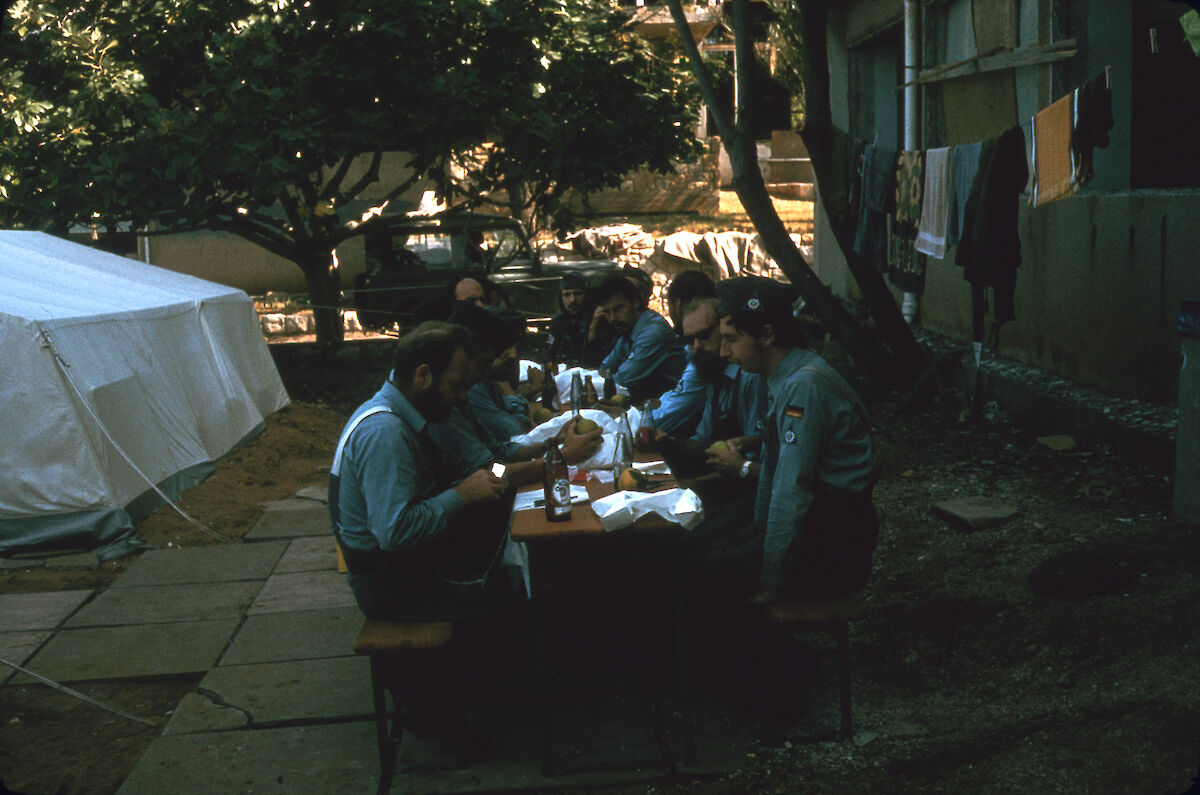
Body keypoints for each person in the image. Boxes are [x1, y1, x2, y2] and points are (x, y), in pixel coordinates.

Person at [328, 321, 514, 623]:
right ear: (423, 375)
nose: (463, 396)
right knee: (508, 595)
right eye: (457, 385)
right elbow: (394, 531)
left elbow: (494, 459)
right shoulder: (387, 431)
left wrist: (542, 453)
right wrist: (464, 493)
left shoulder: (419, 410)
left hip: (405, 565)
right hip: (392, 583)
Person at [716, 276, 880, 601]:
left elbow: (792, 492)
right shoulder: (782, 376)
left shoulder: (802, 387)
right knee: (696, 554)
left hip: (833, 542)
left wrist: (771, 581)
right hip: (817, 529)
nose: (723, 352)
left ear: (766, 335)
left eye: (732, 340)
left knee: (702, 577)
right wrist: (757, 537)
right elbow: (776, 479)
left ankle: (777, 652)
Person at [429, 302, 603, 483]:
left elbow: (500, 452)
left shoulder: (465, 392)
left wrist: (551, 442)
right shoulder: (444, 406)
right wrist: (563, 458)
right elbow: (491, 470)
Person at [641, 271, 719, 437]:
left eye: (704, 335)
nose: (697, 346)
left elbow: (660, 419)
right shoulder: (700, 356)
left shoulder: (712, 363)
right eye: (690, 339)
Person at [593, 274, 686, 405]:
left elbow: (621, 380)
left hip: (671, 407)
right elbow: (605, 369)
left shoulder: (653, 332)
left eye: (618, 309)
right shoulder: (628, 328)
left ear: (635, 303)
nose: (613, 318)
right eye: (607, 312)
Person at [545, 274, 591, 365]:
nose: (572, 300)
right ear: (561, 298)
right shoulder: (557, 323)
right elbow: (549, 353)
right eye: (567, 295)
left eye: (578, 293)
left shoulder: (598, 319)